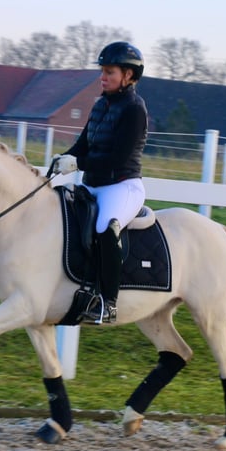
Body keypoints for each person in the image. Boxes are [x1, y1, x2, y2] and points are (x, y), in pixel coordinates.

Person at [51, 41, 148, 324]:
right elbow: (83, 145)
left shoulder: (134, 109)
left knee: (105, 227)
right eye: (102, 71)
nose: (102, 77)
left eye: (109, 72)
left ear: (128, 76)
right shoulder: (100, 105)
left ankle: (109, 302)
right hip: (92, 184)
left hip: (122, 186)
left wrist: (78, 164)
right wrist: (64, 159)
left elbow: (118, 157)